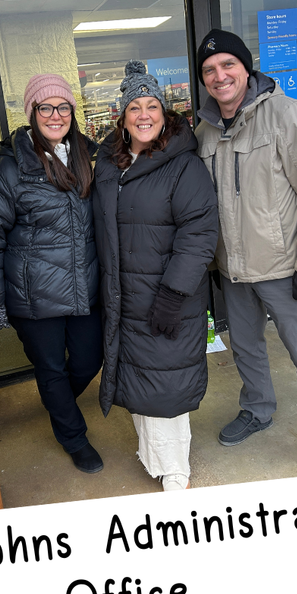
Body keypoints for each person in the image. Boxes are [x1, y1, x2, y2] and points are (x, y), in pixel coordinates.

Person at [194, 29, 297, 475]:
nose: (219, 76)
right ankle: (258, 410)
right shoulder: (204, 130)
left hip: (284, 268)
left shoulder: (285, 114)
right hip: (234, 272)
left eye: (227, 65)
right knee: (246, 349)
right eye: (209, 70)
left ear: (246, 68)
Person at [93, 61, 218, 491]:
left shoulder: (183, 166)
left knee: (165, 383)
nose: (144, 114)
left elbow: (199, 233)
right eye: (134, 108)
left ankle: (175, 469)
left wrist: (173, 293)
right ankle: (155, 457)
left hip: (167, 296)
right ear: (122, 118)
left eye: (152, 106)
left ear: (164, 114)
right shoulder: (109, 165)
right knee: (142, 379)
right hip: (124, 295)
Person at [0, 74, 104, 474]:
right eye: (44, 107)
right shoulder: (8, 170)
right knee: (50, 368)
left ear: (72, 113)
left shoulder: (84, 156)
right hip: (34, 295)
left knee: (88, 360)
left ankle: (56, 399)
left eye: (63, 107)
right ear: (32, 113)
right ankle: (73, 436)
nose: (55, 115)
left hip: (83, 287)